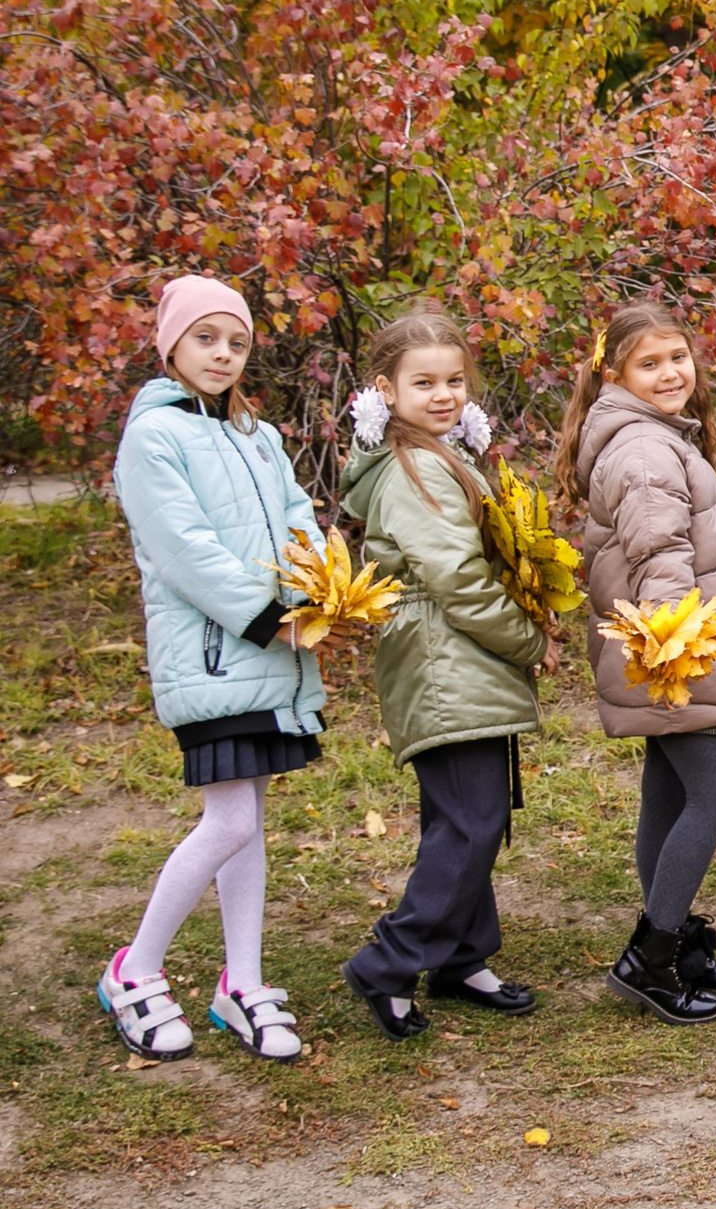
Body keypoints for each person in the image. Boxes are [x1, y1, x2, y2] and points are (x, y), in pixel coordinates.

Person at [100, 276, 327, 1062]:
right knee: (228, 820)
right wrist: (267, 615)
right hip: (217, 653)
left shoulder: (254, 433)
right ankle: (134, 967)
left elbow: (299, 512)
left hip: (272, 653)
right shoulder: (153, 437)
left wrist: (317, 587)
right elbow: (183, 547)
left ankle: (241, 980)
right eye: (206, 338)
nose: (223, 353)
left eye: (236, 341)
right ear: (170, 345)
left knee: (248, 824)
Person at [340, 308, 549, 1039]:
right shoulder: (415, 467)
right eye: (423, 381)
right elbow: (456, 578)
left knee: (461, 816)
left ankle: (460, 957)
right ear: (385, 390)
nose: (443, 394)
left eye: (455, 380)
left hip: (453, 658)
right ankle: (389, 961)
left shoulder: (436, 453)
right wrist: (526, 637)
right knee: (471, 820)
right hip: (442, 658)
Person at [559, 301, 716, 1025]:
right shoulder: (645, 451)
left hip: (676, 646)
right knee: (714, 795)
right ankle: (649, 957)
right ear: (614, 374)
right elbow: (660, 558)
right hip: (676, 650)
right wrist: (671, 649)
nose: (671, 371)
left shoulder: (649, 435)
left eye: (677, 357)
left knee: (667, 792)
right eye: (650, 363)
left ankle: (672, 940)